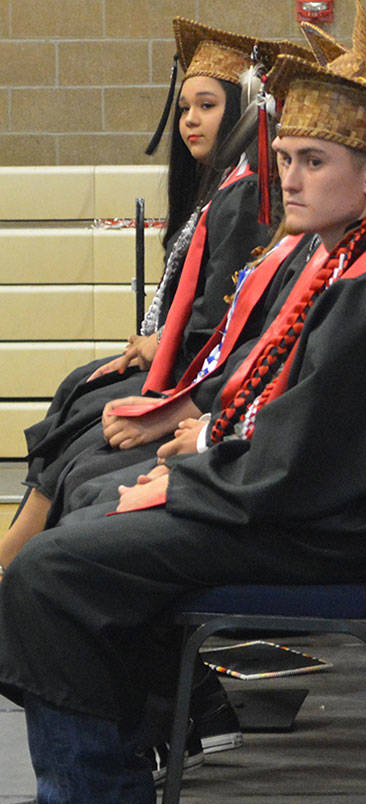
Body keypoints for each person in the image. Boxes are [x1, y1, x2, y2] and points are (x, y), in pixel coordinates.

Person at [0, 32, 366, 804]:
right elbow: (298, 418)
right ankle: (115, 760)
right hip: (304, 499)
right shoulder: (358, 249)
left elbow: (308, 464)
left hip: (325, 531)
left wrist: (191, 469)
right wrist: (204, 442)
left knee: (55, 567)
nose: (288, 177)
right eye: (286, 155)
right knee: (92, 494)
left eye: (314, 161)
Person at [0, 19, 292, 568]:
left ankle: (20, 558)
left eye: (205, 105)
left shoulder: (248, 193)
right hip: (193, 360)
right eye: (184, 108)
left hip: (203, 374)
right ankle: (20, 554)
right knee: (80, 390)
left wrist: (162, 346)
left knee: (91, 421)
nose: (189, 121)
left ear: (241, 107)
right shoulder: (223, 187)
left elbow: (230, 321)